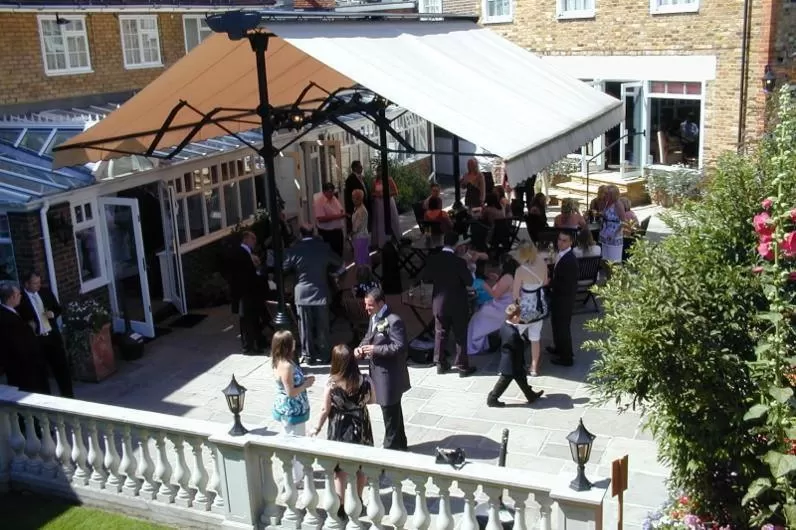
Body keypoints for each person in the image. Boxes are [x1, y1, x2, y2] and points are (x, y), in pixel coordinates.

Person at [312, 344, 375, 506]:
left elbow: (325, 409)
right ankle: (359, 500)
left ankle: (340, 504)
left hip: (339, 428)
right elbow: (373, 400)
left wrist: (316, 428)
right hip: (361, 426)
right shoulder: (365, 380)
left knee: (339, 471)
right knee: (361, 467)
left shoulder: (331, 384)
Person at [355, 287, 410, 450]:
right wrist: (361, 348)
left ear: (381, 303)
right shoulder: (374, 318)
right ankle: (401, 443)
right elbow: (369, 337)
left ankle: (391, 448)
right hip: (378, 373)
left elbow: (400, 347)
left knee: (389, 412)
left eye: (370, 305)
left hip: (389, 376)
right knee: (393, 411)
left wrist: (375, 350)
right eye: (366, 305)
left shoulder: (394, 321)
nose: (367, 308)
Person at [283, 224, 342, 365]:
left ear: (301, 234)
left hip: (302, 293)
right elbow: (339, 263)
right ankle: (325, 354)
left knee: (304, 326)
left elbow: (284, 268)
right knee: (323, 325)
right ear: (313, 232)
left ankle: (308, 355)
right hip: (320, 291)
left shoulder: (294, 249)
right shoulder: (323, 247)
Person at [421, 231, 476, 377]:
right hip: (458, 303)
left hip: (439, 303)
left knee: (440, 333)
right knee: (460, 335)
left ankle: (440, 363)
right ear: (456, 245)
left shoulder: (433, 259)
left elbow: (426, 278)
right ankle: (462, 367)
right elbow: (469, 282)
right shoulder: (459, 262)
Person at [17, 271, 73, 398]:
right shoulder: (20, 299)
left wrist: (53, 314)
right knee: (41, 374)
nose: (38, 285)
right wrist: (28, 325)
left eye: (39, 282)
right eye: (35, 283)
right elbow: (18, 320)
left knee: (62, 369)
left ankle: (69, 398)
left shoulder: (45, 292)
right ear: (26, 284)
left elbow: (57, 308)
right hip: (37, 341)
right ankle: (46, 401)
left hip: (52, 337)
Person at [271, 330, 314, 483]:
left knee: (291, 439)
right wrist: (306, 384)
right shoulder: (286, 366)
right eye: (292, 341)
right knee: (296, 442)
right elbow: (291, 392)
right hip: (293, 411)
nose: (295, 342)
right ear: (287, 346)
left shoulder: (280, 360)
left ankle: (295, 473)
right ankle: (296, 478)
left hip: (290, 409)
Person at [487, 304, 545, 407]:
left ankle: (530, 395)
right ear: (514, 317)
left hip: (510, 359)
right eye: (520, 316)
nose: (521, 318)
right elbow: (518, 349)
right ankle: (492, 398)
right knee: (504, 381)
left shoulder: (504, 325)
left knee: (522, 378)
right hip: (512, 362)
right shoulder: (513, 334)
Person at [0, 281, 50, 395]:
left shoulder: (12, 312)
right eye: (18, 294)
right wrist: (29, 329)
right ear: (11, 297)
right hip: (24, 369)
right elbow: (17, 344)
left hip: (25, 366)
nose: (20, 296)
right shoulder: (6, 318)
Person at [467, 254, 517, 355]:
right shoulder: (513, 276)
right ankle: (482, 343)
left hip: (502, 309)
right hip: (507, 306)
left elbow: (495, 295)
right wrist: (497, 279)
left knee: (477, 317)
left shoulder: (507, 277)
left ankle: (475, 345)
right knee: (481, 312)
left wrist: (483, 285)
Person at [512, 244, 549, 376]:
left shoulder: (520, 270)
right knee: (535, 337)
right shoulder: (542, 263)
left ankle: (517, 363)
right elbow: (545, 282)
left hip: (525, 308)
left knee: (516, 335)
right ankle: (534, 366)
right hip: (539, 305)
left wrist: (512, 310)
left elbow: (515, 294)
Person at [228, 231, 267, 355]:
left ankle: (257, 341)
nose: (255, 241)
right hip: (246, 292)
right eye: (253, 239)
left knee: (252, 318)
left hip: (247, 291)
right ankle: (249, 346)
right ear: (245, 239)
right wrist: (259, 273)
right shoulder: (242, 254)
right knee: (248, 320)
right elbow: (248, 274)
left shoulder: (245, 253)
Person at [547, 231, 579, 367]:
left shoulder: (570, 260)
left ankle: (566, 357)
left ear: (571, 242)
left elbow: (566, 283)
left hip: (564, 298)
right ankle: (559, 348)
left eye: (564, 240)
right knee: (556, 324)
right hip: (558, 296)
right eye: (559, 239)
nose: (560, 242)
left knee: (563, 327)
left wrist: (549, 283)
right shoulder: (561, 255)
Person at [370, 167, 401, 249]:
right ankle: (381, 242)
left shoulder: (389, 179)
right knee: (380, 222)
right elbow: (372, 193)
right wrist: (377, 195)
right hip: (379, 204)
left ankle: (394, 239)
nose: (379, 173)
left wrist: (385, 194)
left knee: (391, 220)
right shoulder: (374, 181)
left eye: (381, 171)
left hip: (388, 202)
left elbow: (395, 192)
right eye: (378, 171)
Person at [314, 182, 346, 258]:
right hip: (327, 233)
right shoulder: (319, 202)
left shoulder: (334, 198)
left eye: (332, 191)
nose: (332, 194)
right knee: (330, 256)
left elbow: (340, 209)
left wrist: (341, 214)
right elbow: (320, 219)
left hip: (337, 231)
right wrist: (336, 216)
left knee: (339, 254)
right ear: (324, 192)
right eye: (330, 192)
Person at [599, 185, 626, 263]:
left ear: (613, 195)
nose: (605, 195)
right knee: (605, 260)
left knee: (614, 261)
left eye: (607, 193)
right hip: (605, 234)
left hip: (614, 236)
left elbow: (624, 222)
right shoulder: (606, 202)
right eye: (605, 193)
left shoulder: (618, 204)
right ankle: (607, 275)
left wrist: (615, 234)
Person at [344, 160, 370, 233]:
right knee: (358, 225)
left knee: (364, 225)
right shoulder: (350, 179)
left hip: (364, 204)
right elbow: (348, 195)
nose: (362, 168)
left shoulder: (362, 177)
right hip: (356, 205)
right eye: (360, 167)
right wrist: (350, 209)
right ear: (355, 168)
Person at [350, 189, 370, 267]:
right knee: (360, 258)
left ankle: (364, 276)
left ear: (359, 199)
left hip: (360, 236)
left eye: (353, 197)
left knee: (361, 260)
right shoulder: (356, 208)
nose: (352, 199)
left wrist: (350, 234)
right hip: (359, 236)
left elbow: (356, 227)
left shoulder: (361, 211)